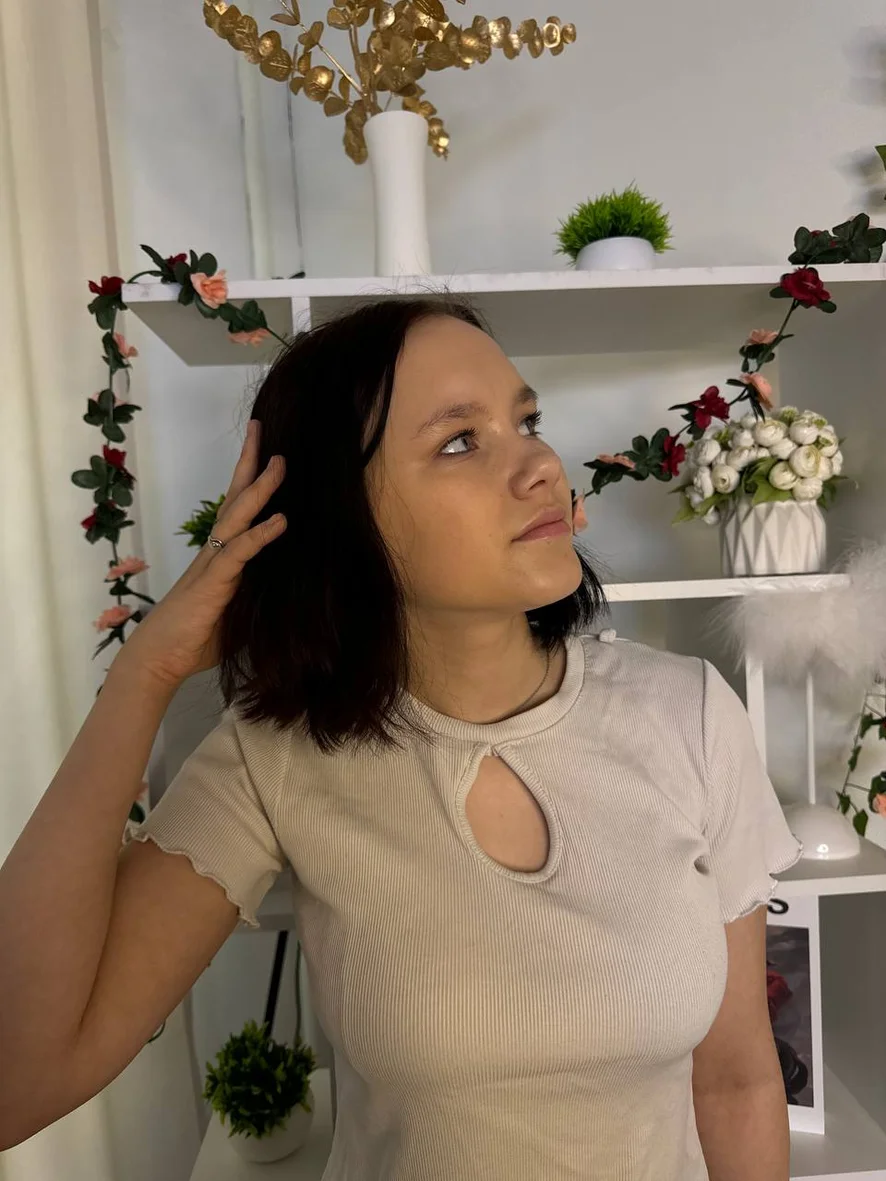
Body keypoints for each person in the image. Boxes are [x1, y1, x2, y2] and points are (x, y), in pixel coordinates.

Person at [0, 295, 803, 1178]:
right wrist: (145, 673)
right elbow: (19, 1082)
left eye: (527, 421)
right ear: (347, 517)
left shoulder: (688, 713)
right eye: (460, 441)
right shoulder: (276, 756)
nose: (540, 463)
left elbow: (736, 1081)